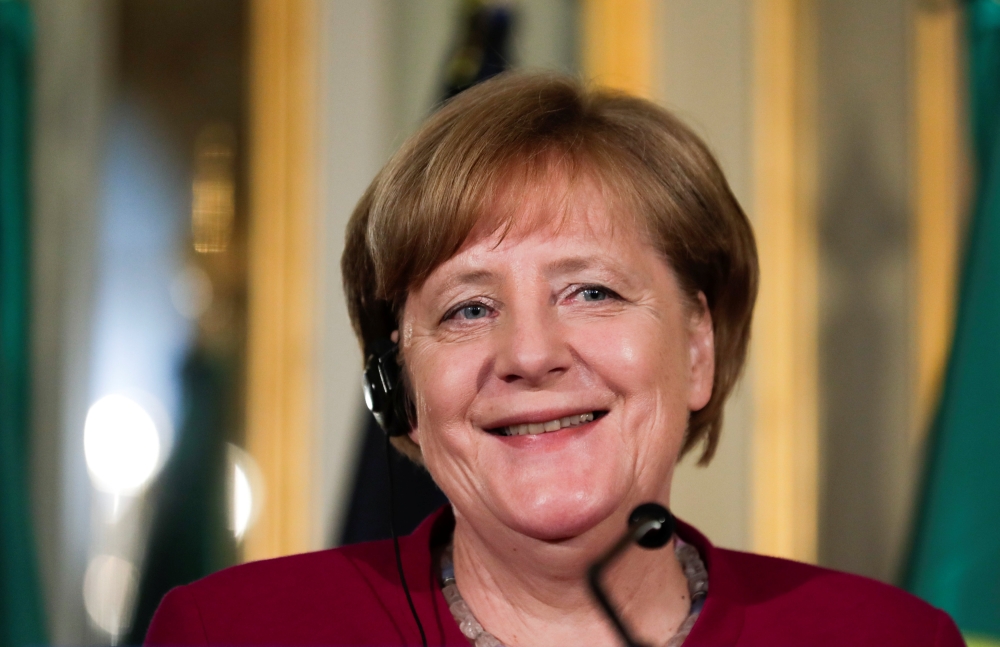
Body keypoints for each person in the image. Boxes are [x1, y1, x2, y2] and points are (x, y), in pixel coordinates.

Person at [145, 72, 964, 647]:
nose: (529, 354)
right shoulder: (235, 633)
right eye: (469, 308)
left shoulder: (893, 639)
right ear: (398, 388)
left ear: (696, 348)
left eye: (593, 292)